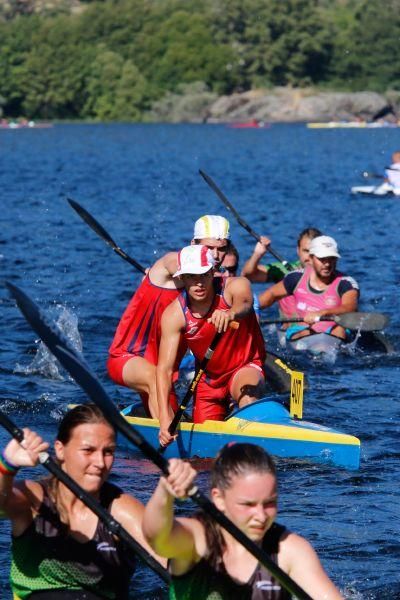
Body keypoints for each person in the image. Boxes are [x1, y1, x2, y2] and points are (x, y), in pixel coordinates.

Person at [142, 443, 343, 600]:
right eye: (248, 504)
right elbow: (156, 537)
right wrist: (164, 492)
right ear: (218, 499)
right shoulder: (197, 539)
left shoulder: (290, 550)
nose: (261, 516)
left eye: (269, 503)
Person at [0, 404, 162, 599]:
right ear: (60, 450)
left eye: (108, 452)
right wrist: (7, 466)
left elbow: (170, 560)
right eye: (88, 450)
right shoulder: (34, 499)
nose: (100, 463)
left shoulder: (122, 510)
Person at [107, 215, 231, 418]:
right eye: (209, 248)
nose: (216, 255)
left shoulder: (211, 284)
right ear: (193, 244)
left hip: (163, 373)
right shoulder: (171, 263)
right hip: (127, 358)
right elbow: (174, 263)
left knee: (178, 414)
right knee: (155, 381)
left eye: (221, 249)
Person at [157, 245, 266, 447]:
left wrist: (230, 313)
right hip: (209, 379)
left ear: (213, 271)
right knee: (203, 449)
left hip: (244, 366)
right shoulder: (174, 315)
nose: (199, 283)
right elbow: (164, 370)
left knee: (247, 396)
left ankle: (251, 447)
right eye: (191, 276)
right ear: (182, 278)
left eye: (204, 275)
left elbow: (245, 302)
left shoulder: (234, 286)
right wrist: (165, 417)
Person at [258, 235, 359, 341]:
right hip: (302, 329)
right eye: (322, 259)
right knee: (307, 332)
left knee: (339, 330)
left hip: (333, 332)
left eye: (332, 259)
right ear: (311, 258)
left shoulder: (346, 283)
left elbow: (349, 308)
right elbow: (271, 295)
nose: (327, 264)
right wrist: (250, 311)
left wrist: (322, 313)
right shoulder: (296, 278)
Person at [241, 228, 322, 319]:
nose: (309, 257)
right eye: (306, 251)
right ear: (298, 250)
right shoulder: (284, 270)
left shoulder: (329, 274)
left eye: (314, 251)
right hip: (289, 328)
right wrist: (257, 254)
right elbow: (248, 276)